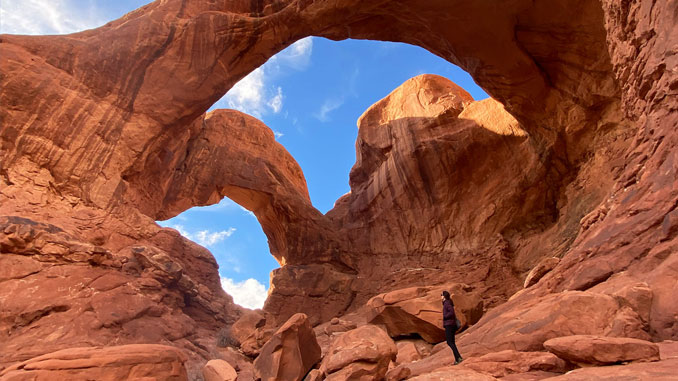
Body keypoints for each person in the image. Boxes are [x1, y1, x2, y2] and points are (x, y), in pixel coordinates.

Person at [441, 290, 463, 364]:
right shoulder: (446, 303)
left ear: (444, 296)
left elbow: (451, 313)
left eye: (441, 295)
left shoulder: (447, 303)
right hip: (450, 324)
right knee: (452, 342)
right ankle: (457, 359)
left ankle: (459, 357)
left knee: (449, 342)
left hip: (449, 325)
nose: (440, 296)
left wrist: (445, 316)